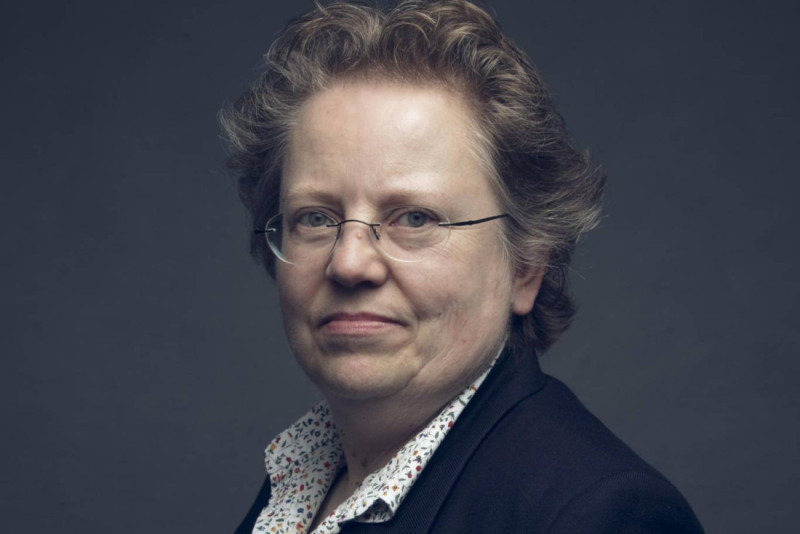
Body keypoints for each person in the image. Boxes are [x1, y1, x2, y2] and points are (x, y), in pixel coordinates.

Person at [221, 1, 704, 532]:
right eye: (315, 216)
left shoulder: (598, 514)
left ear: (525, 264)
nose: (349, 262)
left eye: (415, 218)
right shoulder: (300, 483)